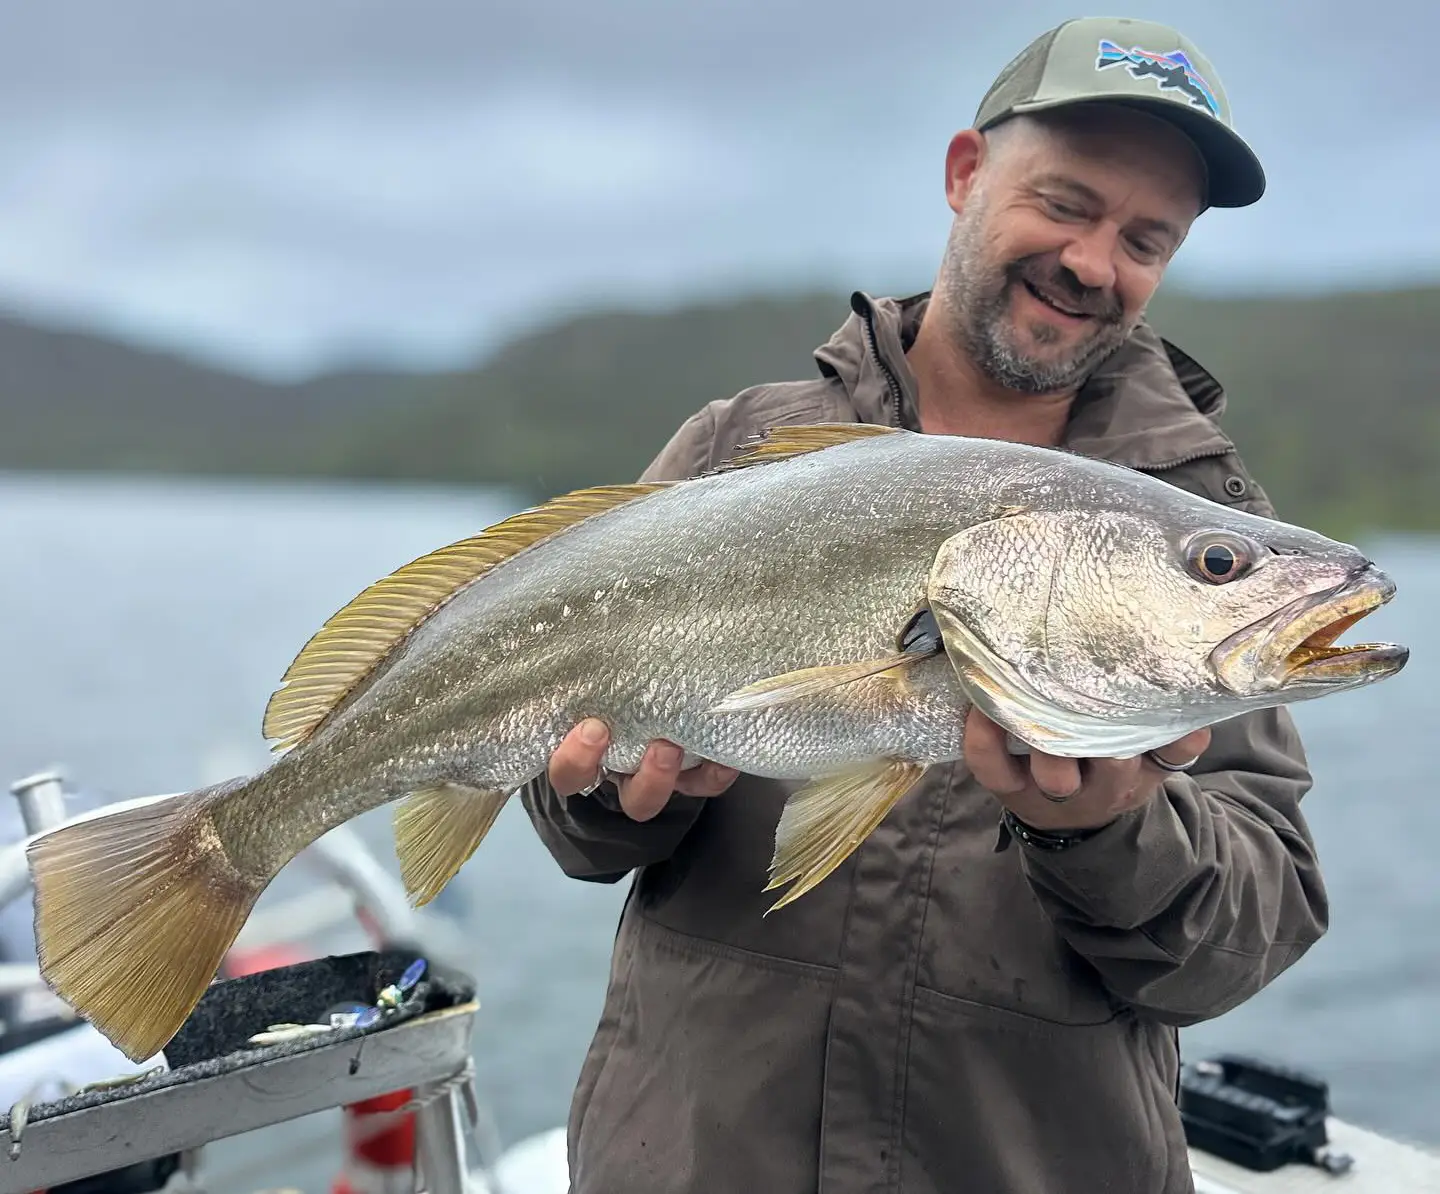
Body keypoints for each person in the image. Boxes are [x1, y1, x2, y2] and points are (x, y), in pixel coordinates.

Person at [521, 16, 1325, 1194]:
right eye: (1064, 203)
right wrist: (607, 797)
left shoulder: (1196, 536)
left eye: (1145, 238)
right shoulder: (735, 451)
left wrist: (1106, 834)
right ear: (964, 175)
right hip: (696, 1159)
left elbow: (1244, 935)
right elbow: (574, 818)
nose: (1094, 263)